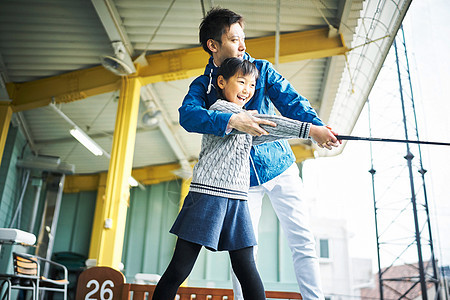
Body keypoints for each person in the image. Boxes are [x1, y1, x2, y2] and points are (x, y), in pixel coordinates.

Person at [178, 8, 340, 300]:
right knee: (245, 254)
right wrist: (230, 120)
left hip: (282, 168)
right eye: (234, 39)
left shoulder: (262, 69)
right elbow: (188, 117)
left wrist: (316, 127)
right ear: (213, 45)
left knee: (303, 240)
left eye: (243, 38)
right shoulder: (204, 86)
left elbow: (291, 102)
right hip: (240, 183)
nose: (243, 46)